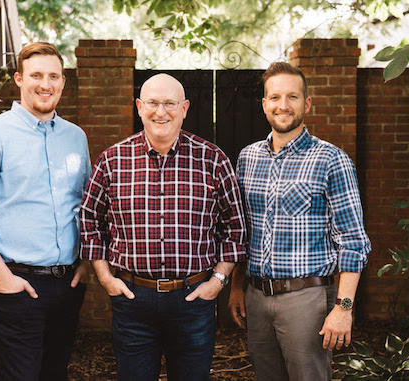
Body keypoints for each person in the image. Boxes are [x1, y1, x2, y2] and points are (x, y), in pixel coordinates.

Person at [80, 73, 247, 381]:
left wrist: (218, 281)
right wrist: (105, 278)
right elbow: (90, 221)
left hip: (194, 299)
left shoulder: (213, 161)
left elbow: (235, 228)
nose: (161, 112)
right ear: (139, 107)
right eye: (153, 103)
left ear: (184, 108)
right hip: (133, 299)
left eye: (169, 103)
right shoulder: (112, 161)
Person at [0, 42, 90, 381]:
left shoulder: (76, 137)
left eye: (54, 76)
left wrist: (87, 262)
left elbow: (85, 205)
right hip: (16, 283)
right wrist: (2, 277)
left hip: (68, 283)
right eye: (37, 75)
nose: (46, 84)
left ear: (63, 82)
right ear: (19, 79)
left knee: (55, 373)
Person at [228, 62, 371, 381]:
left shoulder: (331, 160)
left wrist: (344, 307)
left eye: (292, 97)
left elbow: (353, 241)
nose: (283, 105)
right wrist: (237, 287)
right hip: (256, 297)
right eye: (275, 97)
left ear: (307, 103)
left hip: (307, 300)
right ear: (264, 104)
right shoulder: (247, 158)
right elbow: (243, 229)